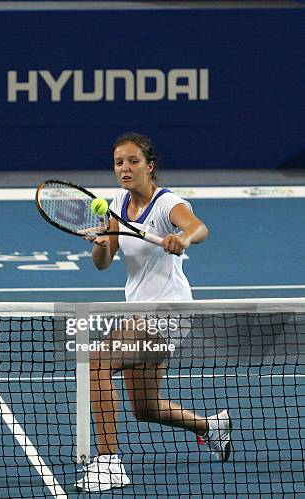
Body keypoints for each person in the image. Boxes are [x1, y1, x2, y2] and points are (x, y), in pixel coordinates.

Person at [75, 132, 232, 492]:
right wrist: (101, 243)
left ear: (150, 166)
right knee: (145, 408)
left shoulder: (166, 203)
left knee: (96, 362)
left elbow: (198, 227)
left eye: (132, 161)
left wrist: (184, 238)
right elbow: (103, 263)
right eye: (119, 163)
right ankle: (211, 427)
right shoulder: (116, 205)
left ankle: (108, 462)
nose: (125, 169)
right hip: (139, 311)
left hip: (169, 311)